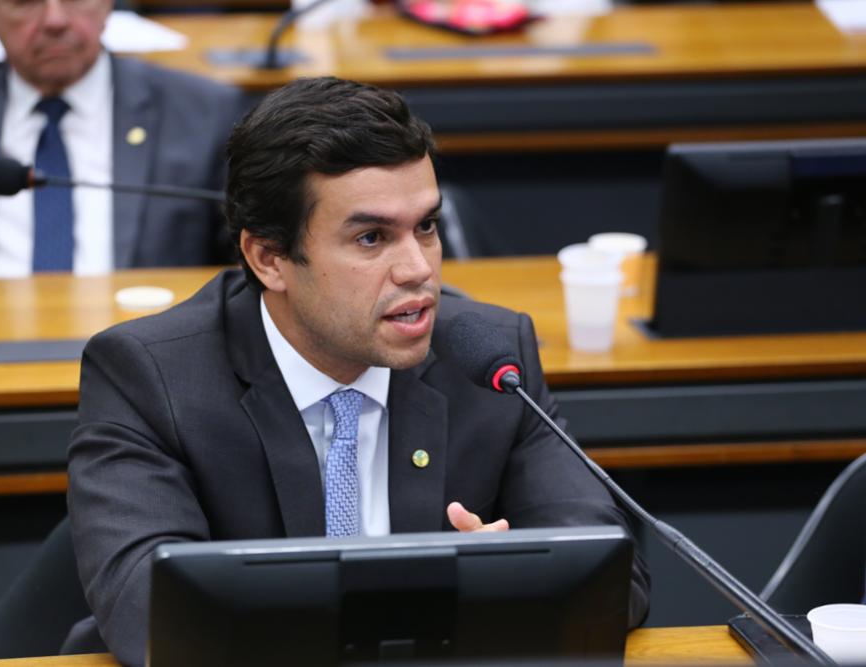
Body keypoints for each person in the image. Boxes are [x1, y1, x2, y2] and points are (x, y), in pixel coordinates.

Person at [66, 76, 650, 667]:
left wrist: (507, 581)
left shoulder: (490, 358)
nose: (418, 269)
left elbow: (614, 580)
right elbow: (151, 618)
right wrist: (456, 601)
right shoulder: (151, 375)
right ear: (269, 259)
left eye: (426, 226)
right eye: (372, 238)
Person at [0, 0, 242, 277]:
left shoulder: (201, 113)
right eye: (25, 2)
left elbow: (247, 262)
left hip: (150, 361)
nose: (55, 20)